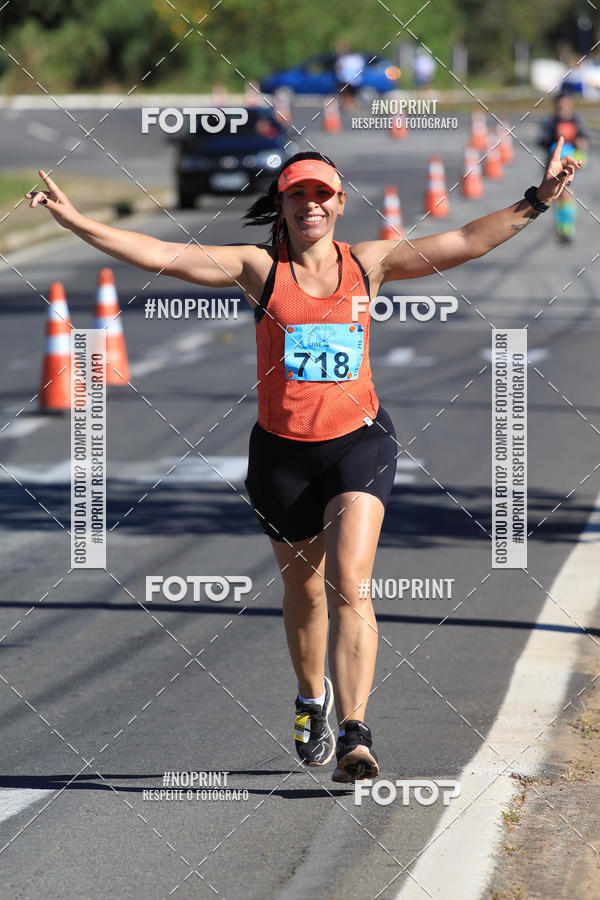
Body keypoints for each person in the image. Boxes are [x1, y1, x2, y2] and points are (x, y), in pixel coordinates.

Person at [27, 142, 581, 783]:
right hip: (281, 454)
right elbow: (160, 254)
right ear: (283, 204)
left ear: (340, 203)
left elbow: (465, 241)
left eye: (322, 194)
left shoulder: (369, 262)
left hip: (358, 441)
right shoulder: (258, 268)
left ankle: (355, 733)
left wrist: (539, 199)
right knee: (305, 591)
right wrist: (75, 220)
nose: (311, 205)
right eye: (298, 195)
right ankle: (310, 699)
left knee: (351, 581)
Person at [538, 89, 589, 242]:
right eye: (559, 104)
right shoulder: (550, 123)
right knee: (558, 195)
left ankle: (566, 227)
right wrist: (554, 141)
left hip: (572, 164)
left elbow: (584, 139)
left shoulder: (576, 121)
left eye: (565, 103)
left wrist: (580, 143)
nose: (562, 106)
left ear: (569, 104)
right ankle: (562, 225)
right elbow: (542, 141)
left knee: (566, 193)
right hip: (554, 164)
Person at [333, 41, 365, 110]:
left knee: (347, 94)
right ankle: (349, 105)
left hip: (348, 80)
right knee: (349, 94)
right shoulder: (356, 58)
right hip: (353, 80)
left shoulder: (345, 59)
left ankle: (349, 105)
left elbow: (340, 68)